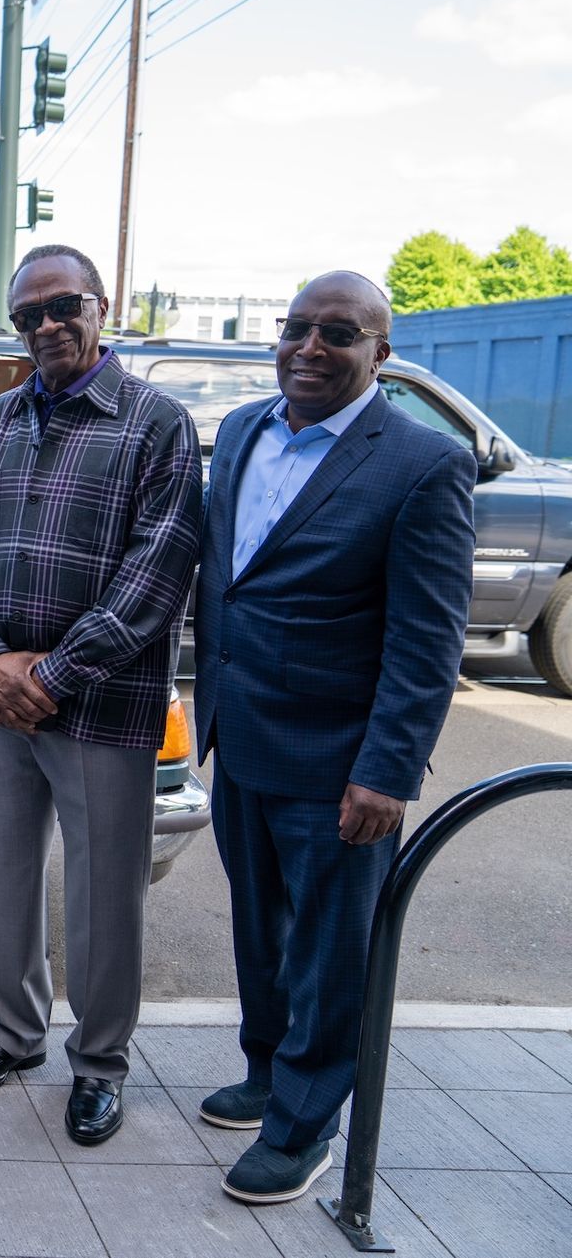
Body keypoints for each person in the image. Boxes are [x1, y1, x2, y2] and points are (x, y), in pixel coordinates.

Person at [194, 272, 474, 1205]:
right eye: (298, 328)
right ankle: (269, 1069)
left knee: (328, 945)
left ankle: (306, 1123)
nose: (311, 347)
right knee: (259, 926)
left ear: (380, 355)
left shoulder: (423, 463)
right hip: (240, 734)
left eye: (340, 334)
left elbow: (426, 638)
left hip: (338, 759)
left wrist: (386, 769)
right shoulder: (241, 430)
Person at [0, 244, 202, 1145]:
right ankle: (15, 1034)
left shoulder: (156, 424)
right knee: (7, 872)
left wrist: (50, 674)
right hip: (2, 697)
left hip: (103, 703)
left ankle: (98, 1062)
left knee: (102, 892)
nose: (46, 326)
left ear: (102, 306)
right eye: (27, 315)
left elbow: (157, 569)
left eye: (63, 307)